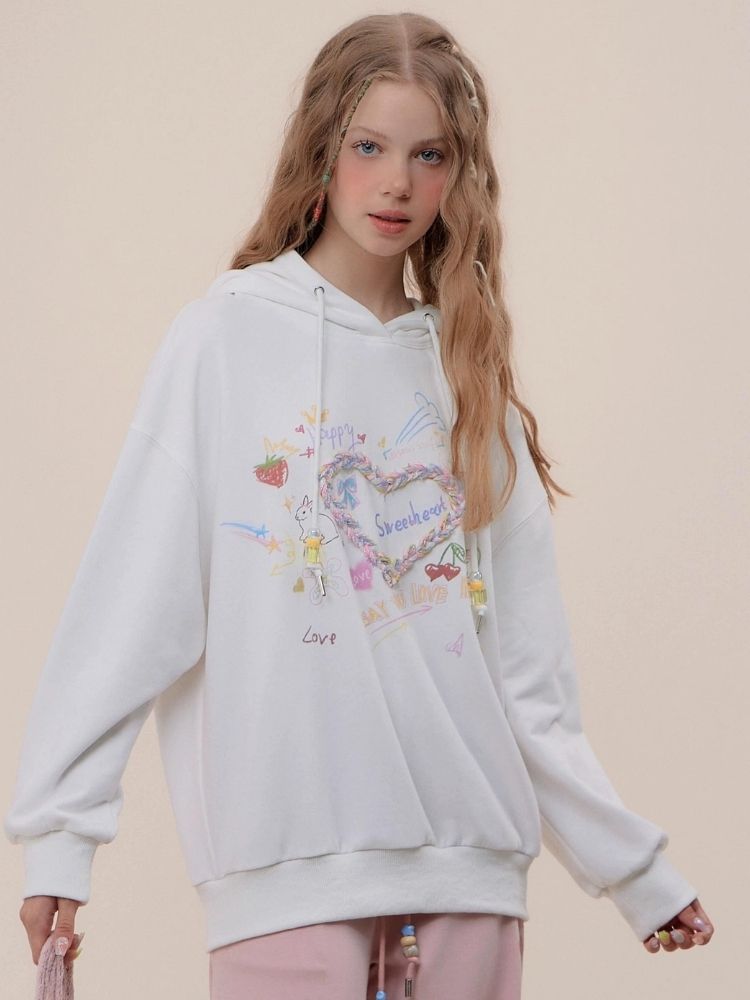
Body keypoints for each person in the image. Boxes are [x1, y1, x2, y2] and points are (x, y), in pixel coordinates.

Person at [4, 11, 714, 999]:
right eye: (369, 147)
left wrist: (633, 870)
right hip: (285, 881)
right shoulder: (224, 341)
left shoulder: (467, 375)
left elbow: (529, 675)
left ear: (459, 174)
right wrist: (59, 837)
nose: (397, 184)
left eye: (430, 155)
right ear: (321, 150)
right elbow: (132, 601)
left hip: (471, 877)